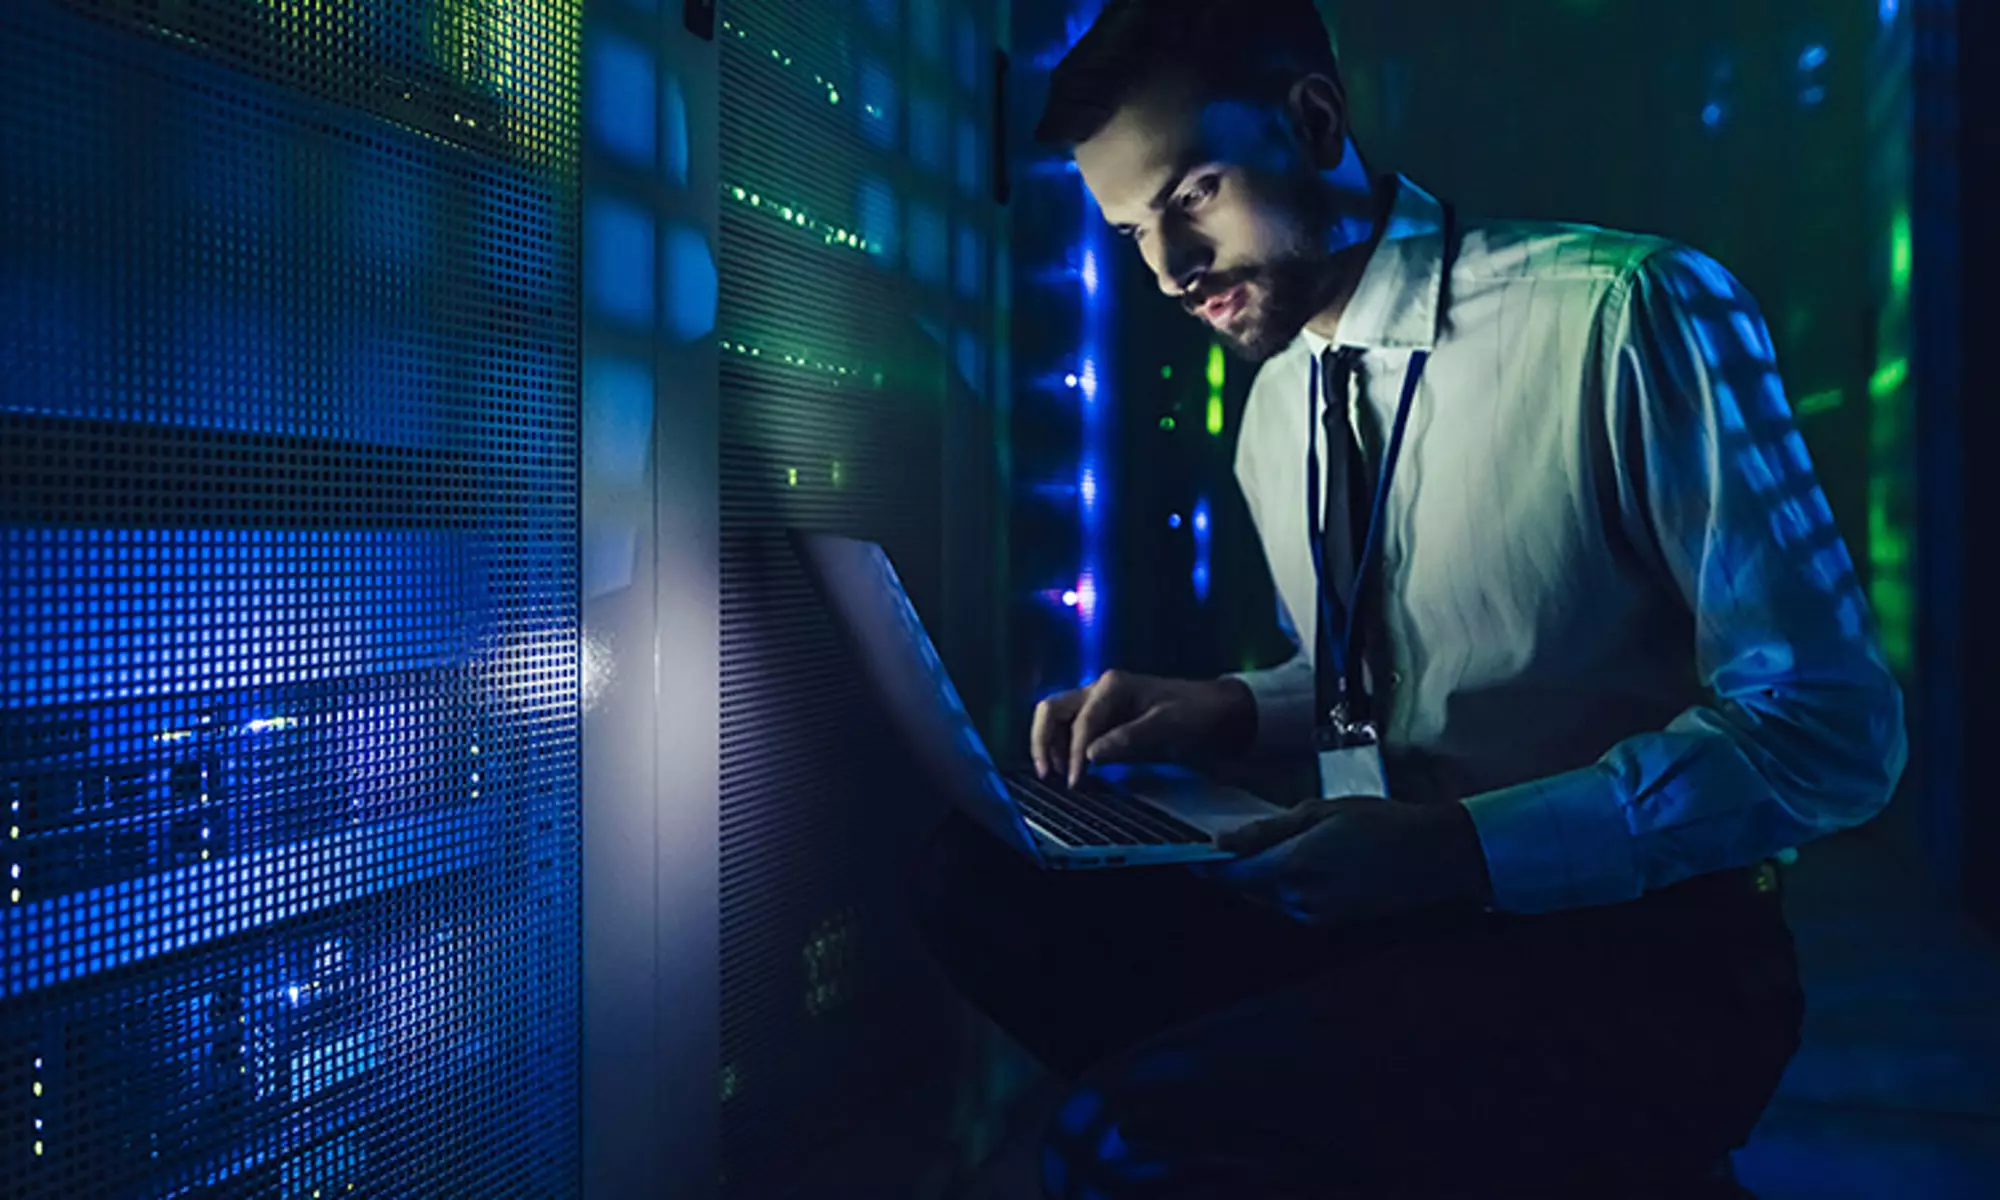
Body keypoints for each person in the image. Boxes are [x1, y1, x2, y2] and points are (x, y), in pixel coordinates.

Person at [911, 1, 1909, 1197]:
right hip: (1380, 925)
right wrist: (1225, 709)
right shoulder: (1276, 404)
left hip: (1647, 960)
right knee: (969, 885)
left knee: (1118, 1136)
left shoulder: (1624, 314)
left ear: (1313, 120)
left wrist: (1461, 852)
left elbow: (1829, 733)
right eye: (1130, 231)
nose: (1169, 273)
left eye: (1192, 195)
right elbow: (1389, 674)